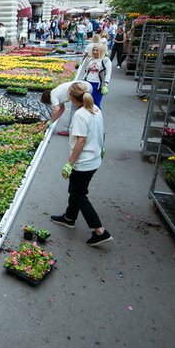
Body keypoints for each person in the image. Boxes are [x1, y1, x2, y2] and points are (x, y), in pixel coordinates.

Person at [51, 82, 111, 247]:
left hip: (84, 162)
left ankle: (99, 230)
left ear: (71, 97)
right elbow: (101, 130)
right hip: (94, 158)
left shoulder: (79, 115)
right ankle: (69, 218)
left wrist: (70, 163)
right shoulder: (96, 109)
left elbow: (81, 141)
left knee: (79, 194)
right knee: (76, 190)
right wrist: (101, 146)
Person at [82, 43, 112, 109]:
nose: (95, 52)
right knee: (86, 103)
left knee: (95, 105)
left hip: (97, 86)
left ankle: (97, 118)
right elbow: (87, 72)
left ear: (101, 51)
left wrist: (106, 84)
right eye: (94, 50)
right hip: (87, 83)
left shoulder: (105, 60)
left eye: (97, 50)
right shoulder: (90, 59)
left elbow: (108, 73)